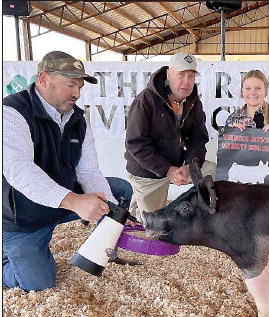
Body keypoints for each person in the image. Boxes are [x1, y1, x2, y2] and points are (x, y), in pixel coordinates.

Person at [2, 51, 134, 292]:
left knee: (119, 191)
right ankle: (6, 258)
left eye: (80, 86)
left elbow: (89, 171)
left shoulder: (78, 119)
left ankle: (101, 253)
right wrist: (74, 201)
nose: (77, 93)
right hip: (23, 218)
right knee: (39, 285)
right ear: (43, 79)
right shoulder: (11, 112)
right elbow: (18, 170)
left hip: (60, 204)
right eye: (70, 85)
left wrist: (113, 212)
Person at [125, 53, 215, 216]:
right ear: (168, 74)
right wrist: (168, 170)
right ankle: (135, 210)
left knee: (213, 172)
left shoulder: (193, 101)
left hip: (179, 164)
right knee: (154, 224)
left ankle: (209, 216)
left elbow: (198, 138)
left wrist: (190, 166)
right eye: (181, 74)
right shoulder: (146, 100)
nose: (187, 81)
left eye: (191, 75)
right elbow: (135, 143)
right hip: (148, 171)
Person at [225, 70, 269, 168]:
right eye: (248, 88)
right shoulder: (232, 118)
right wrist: (231, 136)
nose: (252, 92)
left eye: (258, 88)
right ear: (242, 91)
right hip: (239, 178)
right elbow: (225, 156)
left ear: (266, 91)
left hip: (268, 179)